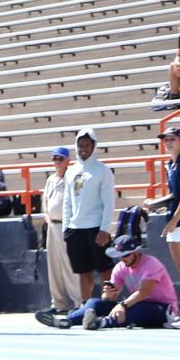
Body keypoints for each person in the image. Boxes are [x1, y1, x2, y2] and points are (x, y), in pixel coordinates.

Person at [147, 126, 180, 328]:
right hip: (176, 222)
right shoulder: (172, 164)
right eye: (166, 139)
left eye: (172, 139)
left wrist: (174, 221)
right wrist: (157, 202)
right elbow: (176, 195)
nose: (168, 142)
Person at [79, 234, 179, 330]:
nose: (122, 258)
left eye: (126, 255)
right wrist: (108, 295)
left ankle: (100, 322)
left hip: (164, 309)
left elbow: (143, 293)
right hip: (136, 303)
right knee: (95, 302)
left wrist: (122, 305)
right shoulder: (120, 267)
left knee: (136, 307)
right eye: (119, 255)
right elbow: (110, 297)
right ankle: (70, 320)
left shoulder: (151, 264)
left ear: (136, 252)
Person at [63, 126, 116, 304]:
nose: (83, 149)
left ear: (94, 146)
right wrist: (66, 229)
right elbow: (67, 202)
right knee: (83, 271)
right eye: (80, 145)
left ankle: (108, 305)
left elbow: (109, 203)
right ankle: (86, 307)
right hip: (75, 229)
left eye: (87, 145)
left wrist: (105, 229)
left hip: (96, 228)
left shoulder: (103, 171)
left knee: (104, 270)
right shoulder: (70, 171)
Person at [34, 147, 82, 325]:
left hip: (67, 224)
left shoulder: (74, 177)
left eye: (60, 159)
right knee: (53, 265)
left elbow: (79, 198)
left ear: (67, 160)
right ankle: (59, 302)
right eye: (54, 159)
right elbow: (45, 201)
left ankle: (78, 301)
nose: (56, 162)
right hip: (52, 225)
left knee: (70, 265)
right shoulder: (51, 180)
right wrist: (47, 216)